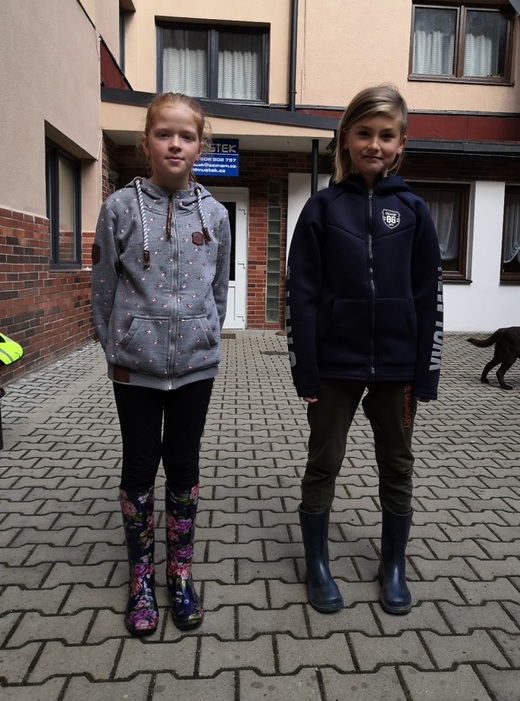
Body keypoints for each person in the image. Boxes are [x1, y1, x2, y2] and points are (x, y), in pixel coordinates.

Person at [285, 85, 443, 616]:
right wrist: (305, 372)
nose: (375, 144)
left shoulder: (414, 210)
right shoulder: (321, 209)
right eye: (364, 133)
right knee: (323, 463)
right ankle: (318, 565)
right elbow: (301, 296)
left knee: (397, 466)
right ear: (346, 138)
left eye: (386, 135)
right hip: (335, 368)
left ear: (401, 144)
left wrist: (426, 374)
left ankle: (392, 566)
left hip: (398, 368)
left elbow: (429, 297)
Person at [91, 92, 231, 635]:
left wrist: (204, 336)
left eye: (187, 136)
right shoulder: (119, 209)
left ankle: (180, 573)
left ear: (200, 146)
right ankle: (141, 579)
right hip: (135, 368)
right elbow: (104, 285)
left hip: (195, 366)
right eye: (164, 134)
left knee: (184, 465)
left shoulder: (215, 214)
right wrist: (116, 345)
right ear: (145, 142)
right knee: (139, 465)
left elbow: (217, 290)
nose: (175, 144)